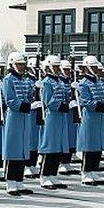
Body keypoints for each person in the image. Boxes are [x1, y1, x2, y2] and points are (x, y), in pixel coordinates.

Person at [1, 52, 35, 195]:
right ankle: (10, 182)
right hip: (14, 116)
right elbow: (10, 100)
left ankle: (19, 181)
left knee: (22, 149)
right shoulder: (8, 80)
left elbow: (28, 96)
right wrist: (26, 106)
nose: (22, 67)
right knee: (13, 149)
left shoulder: (25, 80)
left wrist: (32, 100)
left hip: (24, 117)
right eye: (19, 64)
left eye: (23, 64)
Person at [76, 56, 104, 186]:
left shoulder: (99, 82)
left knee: (98, 144)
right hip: (90, 116)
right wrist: (98, 105)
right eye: (94, 67)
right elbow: (85, 101)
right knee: (89, 145)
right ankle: (86, 172)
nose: (97, 69)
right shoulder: (84, 83)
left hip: (99, 116)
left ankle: (94, 171)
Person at [38, 55, 70, 190]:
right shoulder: (46, 82)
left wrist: (67, 103)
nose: (57, 69)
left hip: (60, 117)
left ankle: (53, 174)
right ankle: (45, 176)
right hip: (51, 116)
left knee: (58, 147)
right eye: (55, 67)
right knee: (50, 147)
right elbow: (48, 101)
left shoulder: (60, 82)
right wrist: (60, 105)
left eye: (58, 67)